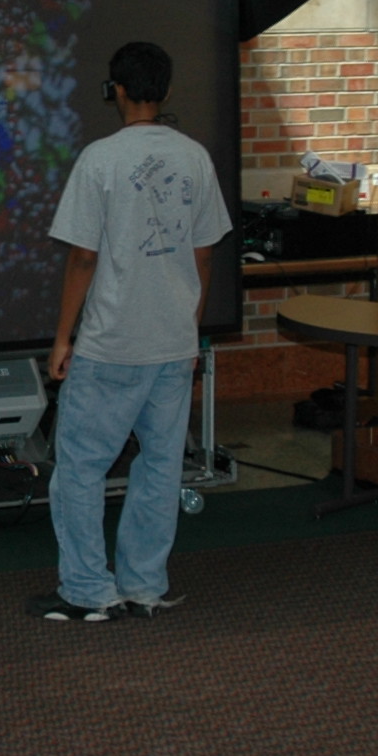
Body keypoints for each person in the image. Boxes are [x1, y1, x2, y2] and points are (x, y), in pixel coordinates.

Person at [34, 40, 232, 623]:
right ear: (165, 91)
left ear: (116, 90)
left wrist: (63, 337)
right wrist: (189, 330)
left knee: (80, 468)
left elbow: (82, 259)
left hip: (111, 345)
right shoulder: (195, 158)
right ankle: (144, 585)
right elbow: (204, 255)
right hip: (173, 344)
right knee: (160, 467)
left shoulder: (100, 160)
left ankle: (88, 591)